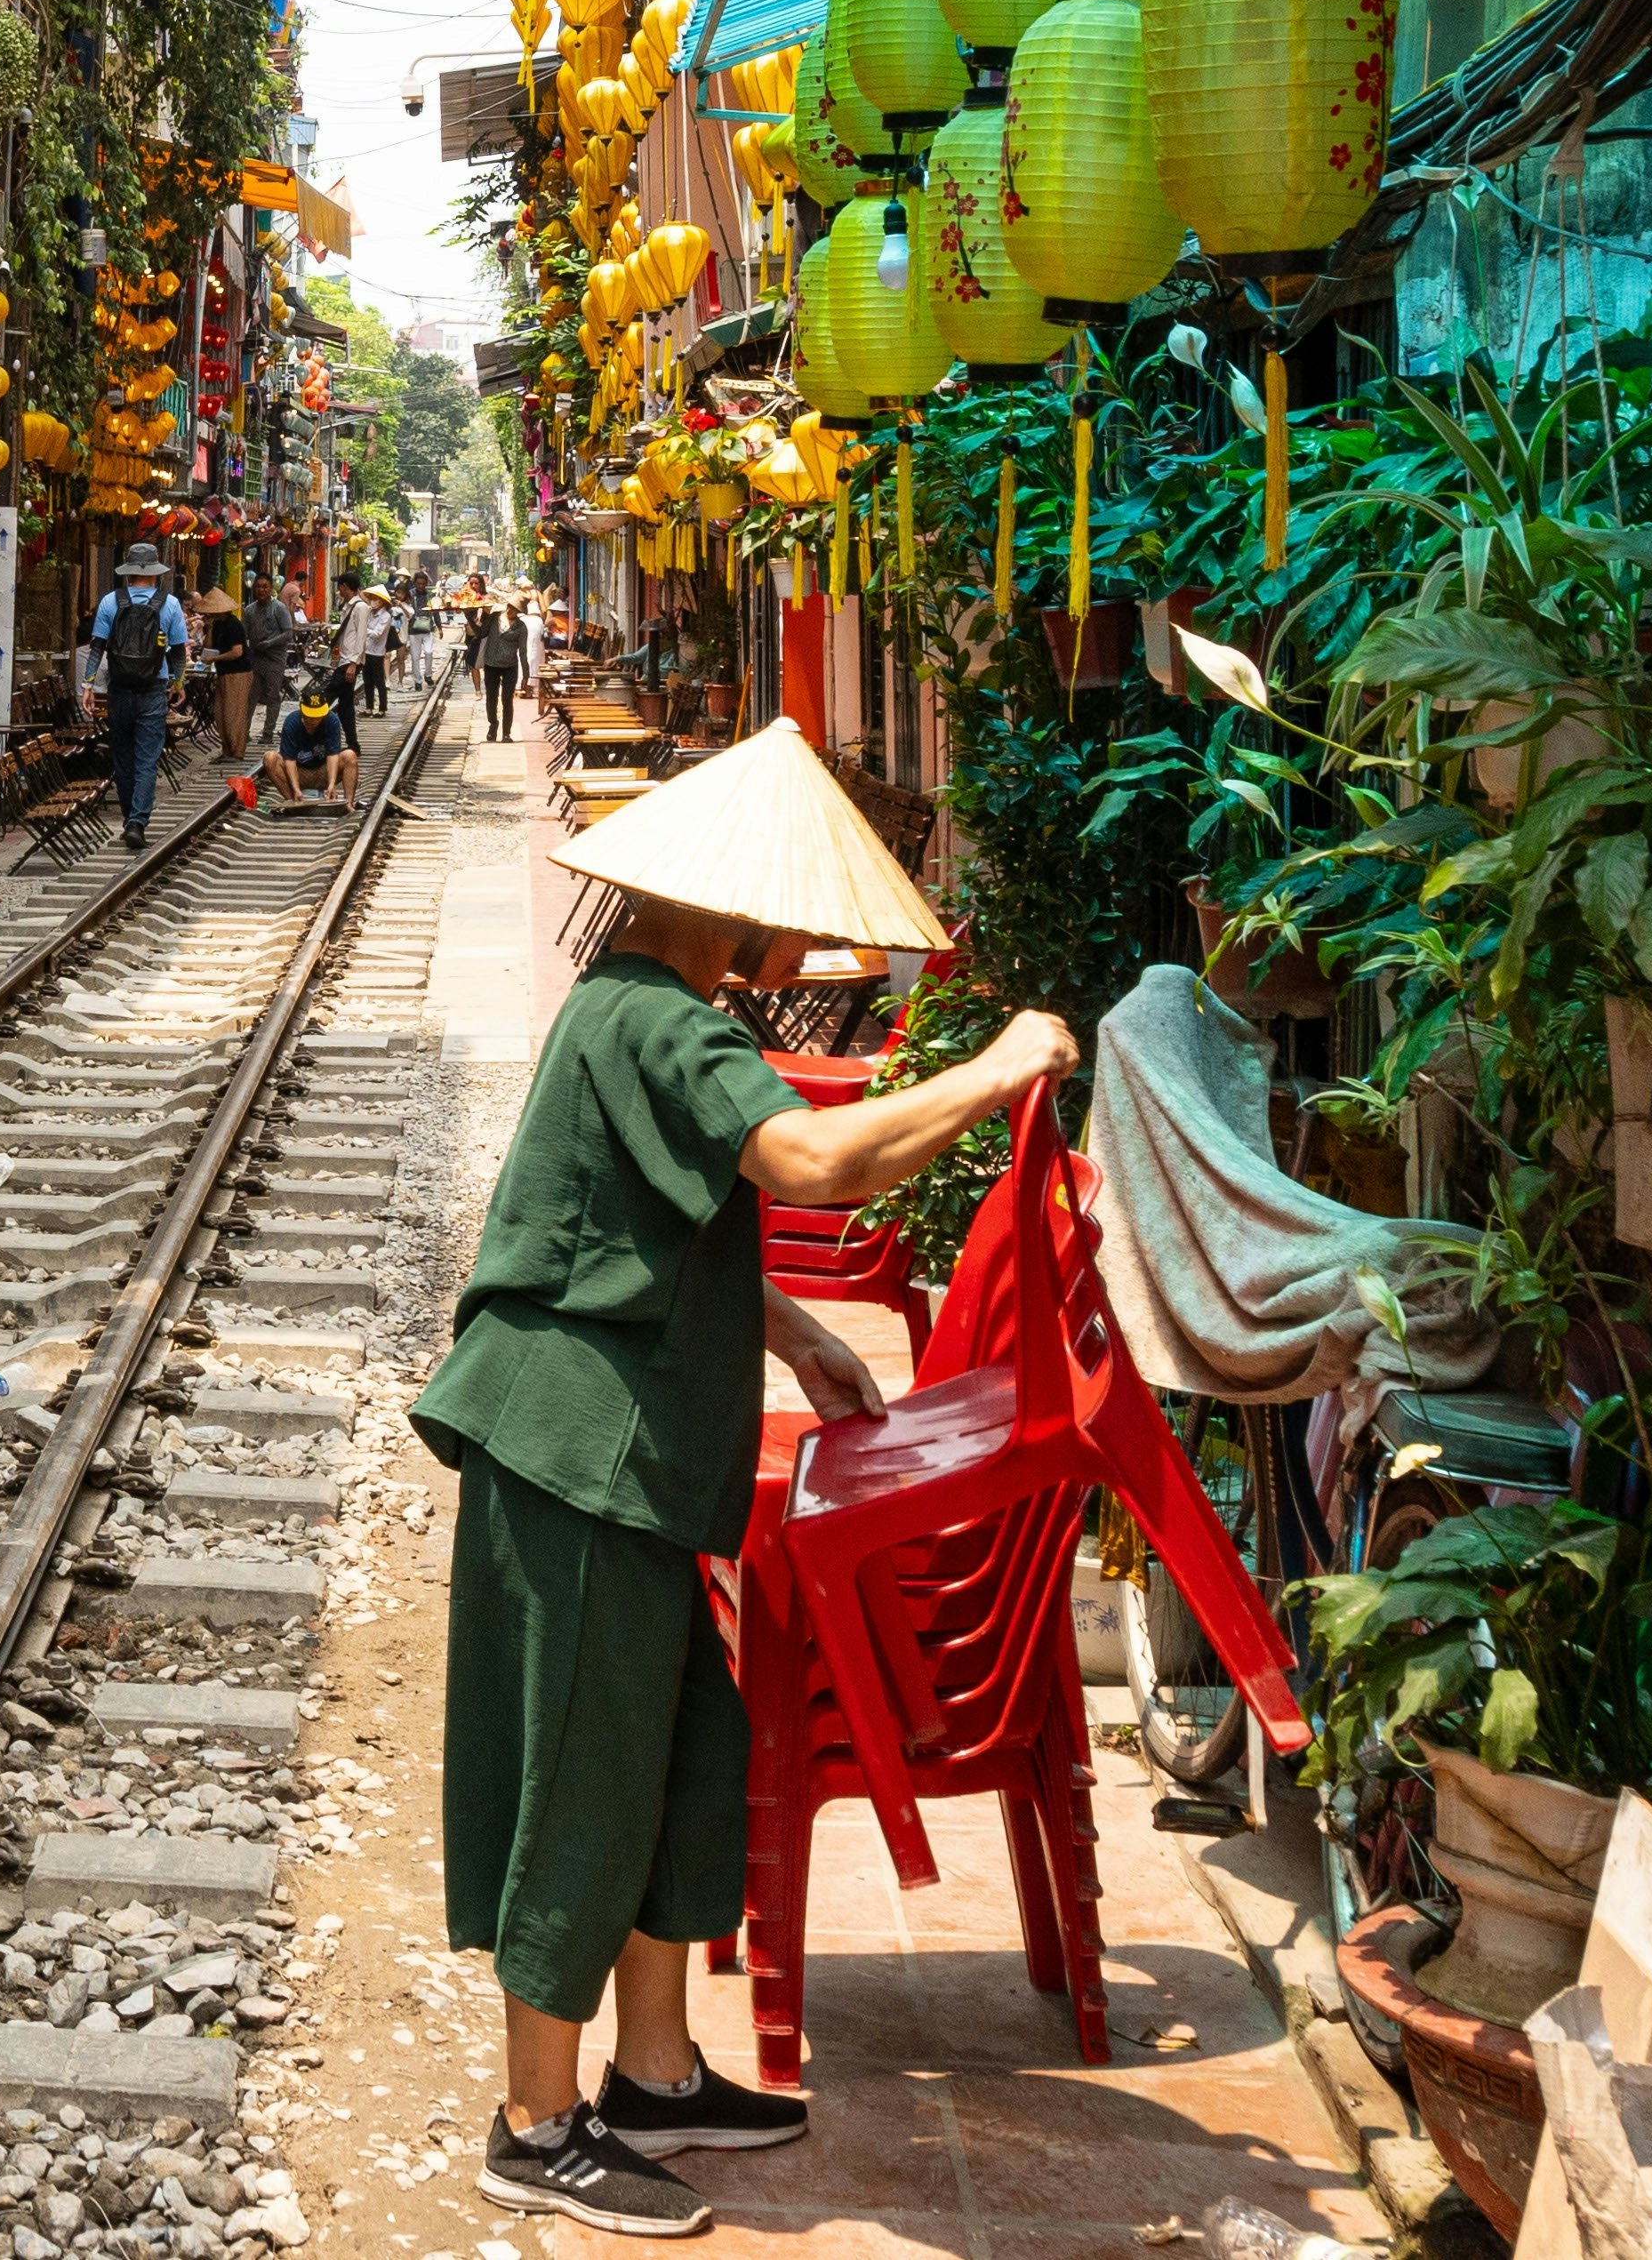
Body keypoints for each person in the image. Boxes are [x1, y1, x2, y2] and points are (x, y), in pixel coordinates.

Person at [413, 721, 1079, 2237]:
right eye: (783, 915)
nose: (793, 943)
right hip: (580, 1455)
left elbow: (656, 1220)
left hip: (619, 1450)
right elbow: (809, 1169)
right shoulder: (672, 1026)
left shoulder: (631, 1002)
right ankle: (534, 2118)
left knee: (676, 1757)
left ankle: (653, 2074)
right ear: (733, 907)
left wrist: (782, 1332)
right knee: (584, 1775)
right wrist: (992, 1070)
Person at [82, 544, 194, 849]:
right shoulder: (169, 605)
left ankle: (130, 816)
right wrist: (178, 683)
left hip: (118, 691)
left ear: (129, 572)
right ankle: (137, 822)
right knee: (147, 759)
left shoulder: (110, 602)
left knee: (122, 756)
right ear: (155, 574)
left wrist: (88, 686)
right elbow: (180, 654)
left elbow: (97, 648)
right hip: (152, 691)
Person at [264, 669, 361, 811]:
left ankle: (348, 804)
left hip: (323, 771)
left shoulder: (331, 721)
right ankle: (293, 802)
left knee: (350, 756)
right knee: (270, 758)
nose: (314, 721)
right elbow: (289, 760)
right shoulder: (292, 722)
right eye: (310, 717)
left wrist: (332, 784)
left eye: (317, 717)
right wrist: (296, 787)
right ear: (302, 712)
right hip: (300, 771)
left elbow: (333, 754)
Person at [239, 575, 297, 744]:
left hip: (275, 658)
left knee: (273, 695)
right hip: (255, 658)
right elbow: (244, 634)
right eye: (258, 587)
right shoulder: (249, 610)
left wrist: (270, 643)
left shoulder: (278, 608)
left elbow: (288, 633)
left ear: (271, 588)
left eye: (265, 587)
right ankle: (244, 732)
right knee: (252, 696)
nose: (261, 590)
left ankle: (268, 733)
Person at [196, 587, 252, 761]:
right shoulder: (218, 624)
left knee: (234, 713)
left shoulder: (233, 624)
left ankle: (237, 751)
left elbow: (237, 652)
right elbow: (208, 647)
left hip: (238, 672)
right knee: (221, 713)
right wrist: (209, 628)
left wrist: (215, 659)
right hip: (224, 672)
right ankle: (227, 750)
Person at [473, 596, 525, 743]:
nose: (511, 611)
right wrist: (468, 616)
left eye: (515, 609)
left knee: (507, 700)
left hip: (510, 666)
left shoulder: (521, 627)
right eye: (510, 607)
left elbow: (523, 651)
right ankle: (493, 724)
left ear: (519, 612)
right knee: (491, 698)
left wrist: (526, 675)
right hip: (491, 664)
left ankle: (506, 733)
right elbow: (481, 633)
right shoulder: (494, 618)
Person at [349, 590, 395, 716]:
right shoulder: (370, 613)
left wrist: (363, 629)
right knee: (367, 680)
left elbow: (377, 634)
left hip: (377, 652)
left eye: (375, 599)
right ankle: (369, 708)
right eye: (372, 599)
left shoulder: (385, 616)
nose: (372, 602)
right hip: (366, 651)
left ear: (382, 601)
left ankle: (382, 708)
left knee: (379, 681)